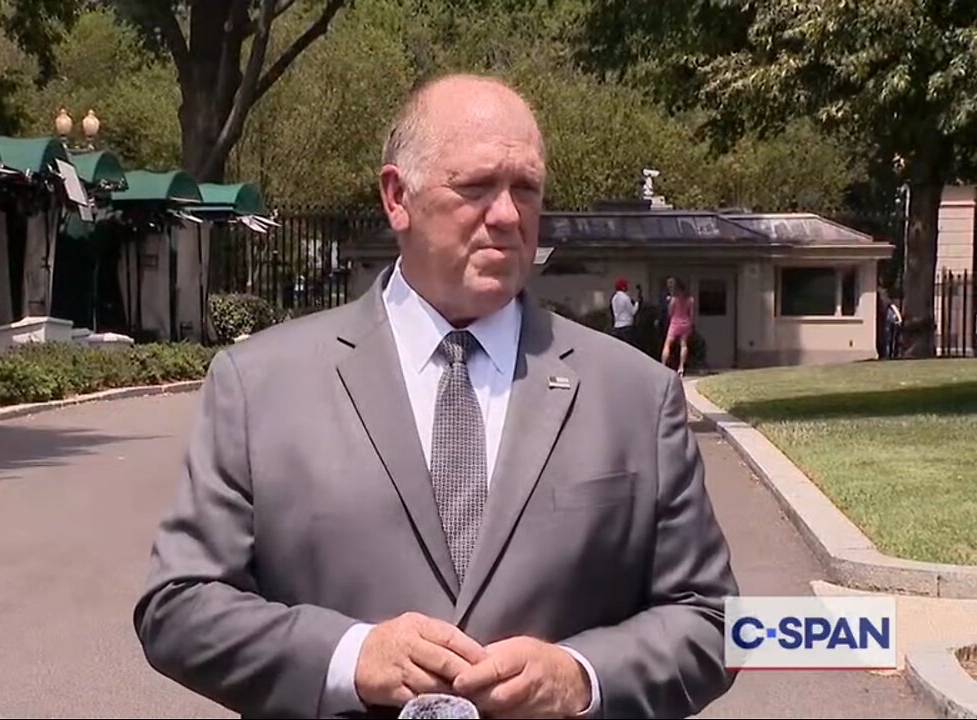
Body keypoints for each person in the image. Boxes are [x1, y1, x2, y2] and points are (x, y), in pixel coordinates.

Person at [134, 73, 738, 719]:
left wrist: (583, 678)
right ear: (398, 197)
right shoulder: (259, 385)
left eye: (525, 189)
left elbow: (717, 622)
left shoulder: (636, 395)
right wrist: (348, 657)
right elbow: (179, 605)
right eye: (476, 187)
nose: (507, 216)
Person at [661, 278, 695, 375]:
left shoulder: (674, 299)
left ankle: (663, 365)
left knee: (667, 344)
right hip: (685, 323)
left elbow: (670, 312)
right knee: (683, 345)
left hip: (675, 323)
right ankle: (681, 367)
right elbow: (691, 314)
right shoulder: (690, 300)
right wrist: (691, 324)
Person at [609, 278, 639, 345]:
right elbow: (632, 311)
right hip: (626, 326)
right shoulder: (625, 297)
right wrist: (637, 303)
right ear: (623, 287)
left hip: (617, 325)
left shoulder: (614, 298)